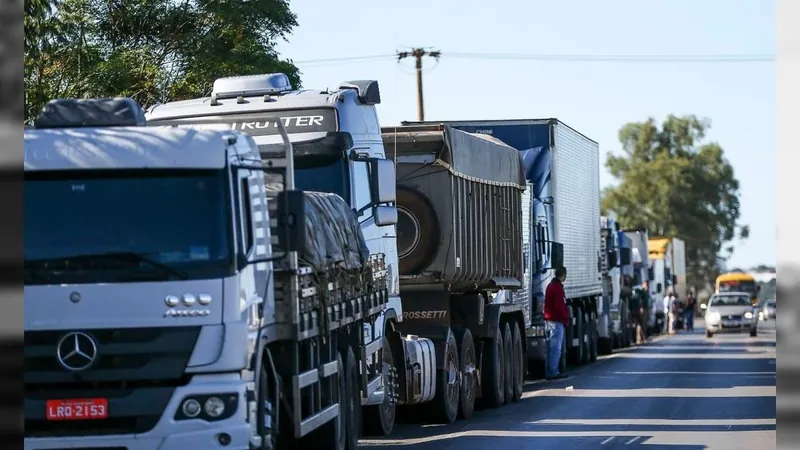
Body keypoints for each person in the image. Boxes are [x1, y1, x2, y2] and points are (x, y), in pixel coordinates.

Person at [544, 266, 570, 380]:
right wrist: (565, 318)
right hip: (556, 321)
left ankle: (550, 371)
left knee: (550, 348)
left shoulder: (550, 286)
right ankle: (553, 372)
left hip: (549, 321)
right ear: (562, 275)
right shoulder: (558, 288)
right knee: (556, 348)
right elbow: (559, 307)